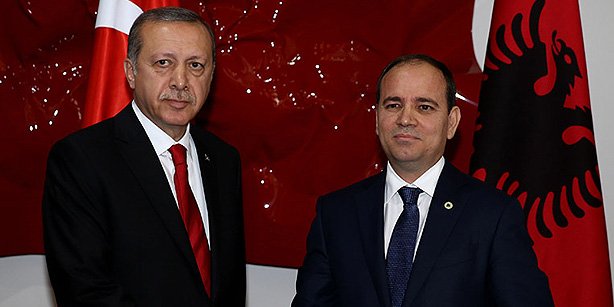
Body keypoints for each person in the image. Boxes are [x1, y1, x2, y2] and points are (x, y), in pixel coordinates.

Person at [292, 54, 553, 307]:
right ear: (377, 119)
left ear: (451, 122)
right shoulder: (336, 214)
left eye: (424, 107)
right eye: (393, 105)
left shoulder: (493, 215)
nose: (405, 119)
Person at [42, 7, 245, 307]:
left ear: (212, 74)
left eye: (196, 65)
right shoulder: (81, 160)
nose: (180, 81)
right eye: (163, 63)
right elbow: (85, 291)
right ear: (130, 72)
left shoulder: (224, 160)